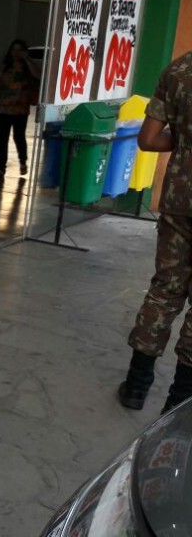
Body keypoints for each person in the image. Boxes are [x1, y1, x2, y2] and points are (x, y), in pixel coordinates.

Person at [118, 51, 192, 414]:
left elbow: (148, 139)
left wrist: (184, 141)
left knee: (164, 289)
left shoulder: (179, 69)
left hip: (180, 200)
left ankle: (136, 385)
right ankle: (178, 405)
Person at [0, 39, 40, 177]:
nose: (16, 53)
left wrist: (27, 59)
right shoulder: (6, 66)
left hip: (21, 109)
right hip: (4, 108)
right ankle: (0, 167)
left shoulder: (28, 67)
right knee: (2, 138)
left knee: (19, 136)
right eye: (14, 50)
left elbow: (37, 75)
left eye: (19, 50)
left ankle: (23, 162)